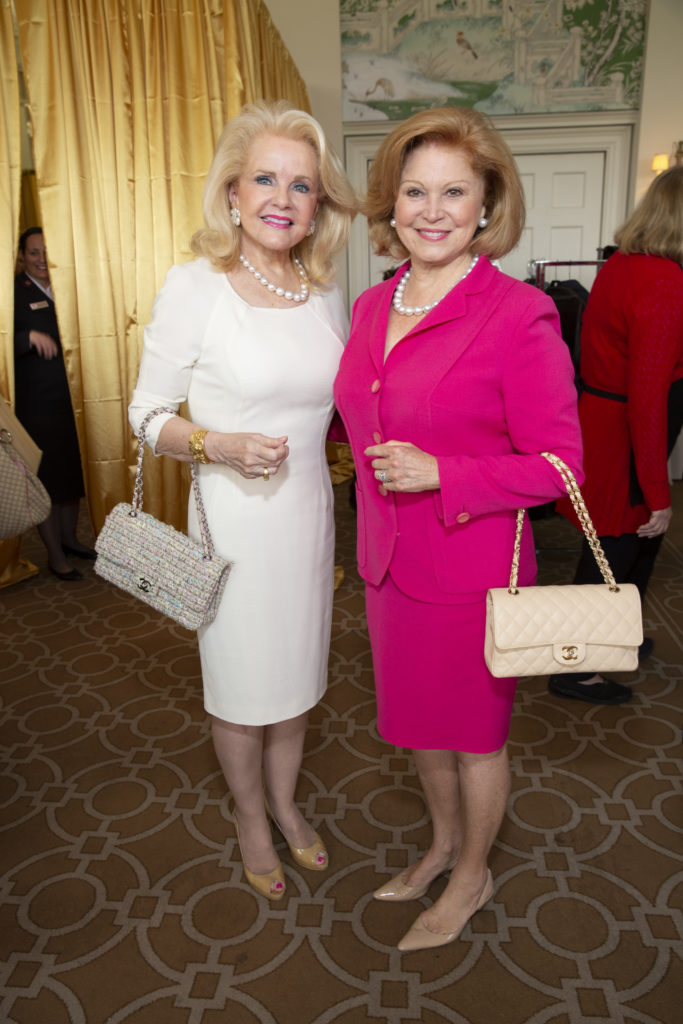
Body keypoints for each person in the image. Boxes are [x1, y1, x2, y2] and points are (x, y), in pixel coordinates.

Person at [333, 107, 583, 952]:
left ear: (485, 207)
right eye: (413, 191)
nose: (430, 209)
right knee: (416, 728)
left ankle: (471, 874)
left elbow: (560, 465)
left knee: (473, 740)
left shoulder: (517, 314)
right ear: (390, 203)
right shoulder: (371, 305)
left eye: (452, 192)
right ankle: (439, 846)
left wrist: (450, 473)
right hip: (387, 562)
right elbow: (360, 411)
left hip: (471, 567)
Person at [128, 101, 356, 901]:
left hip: (305, 521)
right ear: (231, 191)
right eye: (264, 177)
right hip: (229, 522)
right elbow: (145, 415)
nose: (280, 198)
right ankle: (251, 818)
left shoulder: (324, 288)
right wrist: (217, 443)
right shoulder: (196, 286)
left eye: (300, 184)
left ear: (316, 203)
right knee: (240, 689)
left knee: (295, 683)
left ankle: (288, 804)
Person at [550, 166, 683, 705]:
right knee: (615, 548)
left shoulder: (626, 263)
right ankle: (576, 668)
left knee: (628, 547)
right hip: (627, 434)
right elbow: (648, 396)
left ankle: (615, 634)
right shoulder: (664, 282)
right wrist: (658, 491)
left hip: (607, 422)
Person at [13, 227, 95, 580]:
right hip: (37, 402)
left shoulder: (70, 285)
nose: (42, 259)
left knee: (71, 475)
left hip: (75, 397)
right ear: (21, 257)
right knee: (47, 479)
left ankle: (70, 538)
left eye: (47, 251)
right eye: (34, 253)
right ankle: (55, 555)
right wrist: (25, 337)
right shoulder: (13, 292)